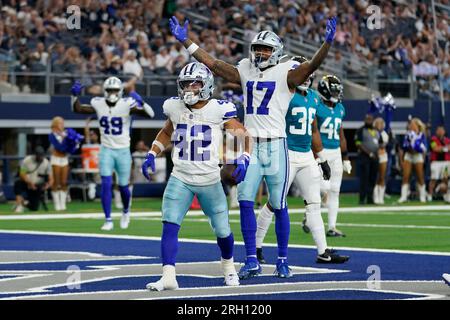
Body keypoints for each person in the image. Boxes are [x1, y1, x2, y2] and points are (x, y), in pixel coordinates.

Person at [169, 15, 337, 279]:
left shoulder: (286, 72)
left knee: (279, 204)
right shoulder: (246, 68)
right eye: (257, 48)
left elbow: (313, 64)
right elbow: (213, 63)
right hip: (250, 143)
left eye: (266, 49)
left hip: (276, 144)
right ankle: (251, 259)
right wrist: (187, 42)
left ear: (276, 52)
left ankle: (282, 259)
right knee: (246, 201)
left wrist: (326, 44)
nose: (260, 53)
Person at [142, 62, 251, 291]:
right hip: (180, 176)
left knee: (222, 230)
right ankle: (168, 275)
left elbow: (243, 134)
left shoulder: (218, 109)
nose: (189, 89)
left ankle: (229, 268)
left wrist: (244, 158)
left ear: (207, 85)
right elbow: (167, 132)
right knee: (169, 224)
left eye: (195, 84)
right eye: (185, 84)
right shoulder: (174, 106)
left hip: (210, 179)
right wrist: (153, 151)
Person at [255, 56, 349, 265]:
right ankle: (256, 246)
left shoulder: (314, 97)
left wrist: (322, 157)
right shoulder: (283, 94)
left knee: (314, 203)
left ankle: (323, 251)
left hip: (306, 154)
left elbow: (314, 129)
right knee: (274, 202)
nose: (305, 76)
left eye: (307, 72)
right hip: (286, 151)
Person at [70, 76, 155, 230]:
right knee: (106, 184)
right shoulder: (98, 103)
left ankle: (125, 211)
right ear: (105, 91)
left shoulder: (126, 104)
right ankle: (108, 219)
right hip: (106, 149)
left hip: (123, 150)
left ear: (120, 91)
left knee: (123, 186)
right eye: (109, 90)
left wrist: (142, 102)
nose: (112, 93)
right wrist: (74, 96)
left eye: (115, 90)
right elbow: (77, 109)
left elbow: (151, 115)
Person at [315, 75, 351, 237]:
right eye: (334, 91)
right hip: (322, 151)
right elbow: (313, 132)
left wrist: (346, 156)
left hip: (336, 152)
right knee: (324, 188)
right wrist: (315, 153)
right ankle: (310, 211)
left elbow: (341, 134)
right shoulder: (317, 107)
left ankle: (331, 226)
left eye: (338, 91)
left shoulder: (340, 109)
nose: (336, 94)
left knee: (335, 190)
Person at [48, 117, 84, 211]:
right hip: (55, 159)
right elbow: (59, 147)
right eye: (60, 123)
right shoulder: (52, 135)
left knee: (64, 182)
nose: (62, 125)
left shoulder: (67, 133)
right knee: (56, 182)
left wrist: (74, 144)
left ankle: (63, 204)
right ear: (55, 124)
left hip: (64, 159)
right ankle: (56, 204)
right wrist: (66, 141)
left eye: (63, 123)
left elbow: (71, 146)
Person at [13, 146, 53, 212]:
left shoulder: (46, 163)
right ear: (35, 155)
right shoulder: (27, 160)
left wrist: (47, 186)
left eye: (42, 155)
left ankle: (24, 203)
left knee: (34, 207)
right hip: (26, 182)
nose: (40, 157)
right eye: (39, 155)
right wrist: (29, 182)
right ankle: (18, 204)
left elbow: (51, 178)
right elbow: (22, 174)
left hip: (37, 186)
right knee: (18, 183)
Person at [398, 118, 427, 203]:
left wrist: (418, 149)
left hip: (418, 156)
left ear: (417, 125)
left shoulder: (422, 135)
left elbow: (424, 148)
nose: (411, 126)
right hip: (409, 155)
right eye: (411, 124)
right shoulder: (407, 135)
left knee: (420, 176)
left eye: (413, 124)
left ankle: (422, 196)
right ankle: (403, 196)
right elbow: (404, 147)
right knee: (405, 176)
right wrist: (402, 159)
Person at [354, 114, 379, 205]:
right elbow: (358, 144)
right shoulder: (360, 130)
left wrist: (376, 153)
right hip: (364, 157)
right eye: (367, 119)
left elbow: (379, 143)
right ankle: (362, 199)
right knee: (364, 179)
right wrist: (369, 153)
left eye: (370, 119)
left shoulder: (376, 131)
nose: (369, 121)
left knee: (373, 178)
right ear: (365, 120)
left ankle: (370, 198)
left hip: (375, 158)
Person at [428, 125, 450, 200]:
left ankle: (445, 195)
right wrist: (445, 148)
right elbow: (435, 149)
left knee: (445, 178)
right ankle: (430, 195)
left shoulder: (447, 140)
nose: (440, 132)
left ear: (444, 131)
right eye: (439, 130)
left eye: (442, 130)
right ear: (436, 131)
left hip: (446, 163)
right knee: (434, 178)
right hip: (435, 163)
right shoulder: (433, 140)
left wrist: (442, 148)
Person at [373, 117, 390, 204]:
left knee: (382, 176)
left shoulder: (384, 134)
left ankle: (381, 197)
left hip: (383, 156)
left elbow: (384, 145)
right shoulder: (372, 132)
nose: (379, 125)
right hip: (375, 156)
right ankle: (375, 197)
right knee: (376, 177)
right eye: (377, 123)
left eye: (381, 123)